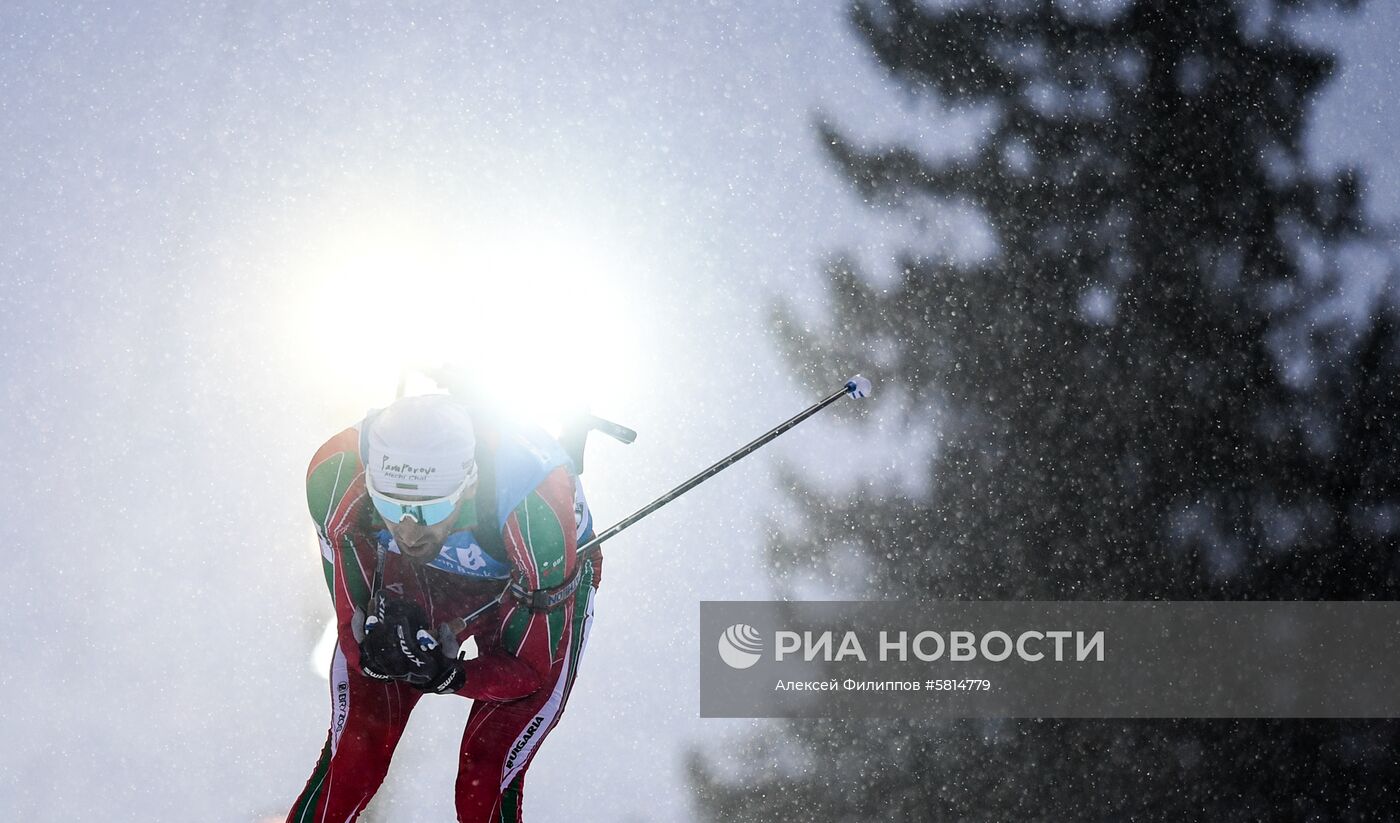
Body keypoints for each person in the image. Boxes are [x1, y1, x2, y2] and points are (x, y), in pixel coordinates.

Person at [287, 393, 601, 822]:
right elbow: (353, 627)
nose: (409, 529)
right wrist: (377, 652)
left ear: (467, 485)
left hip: (523, 584)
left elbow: (528, 674)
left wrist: (452, 675)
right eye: (390, 505)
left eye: (429, 507)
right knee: (353, 758)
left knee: (484, 775)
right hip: (424, 577)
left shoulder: (536, 516)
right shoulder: (337, 475)